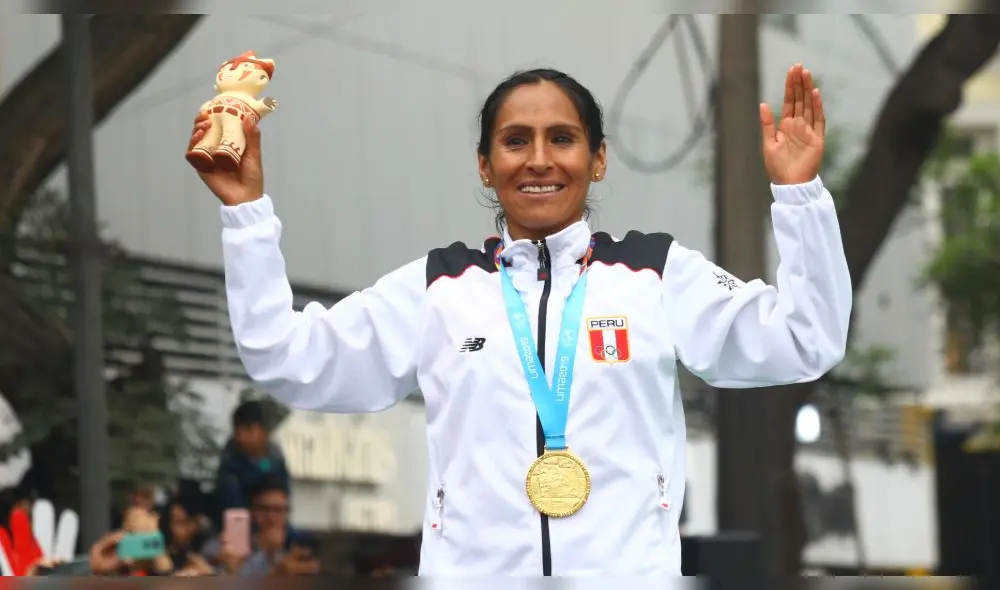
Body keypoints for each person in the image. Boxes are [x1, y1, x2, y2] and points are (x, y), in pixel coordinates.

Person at [188, 63, 851, 576]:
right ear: (486, 163)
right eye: (515, 140)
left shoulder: (654, 273)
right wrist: (246, 216)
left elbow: (803, 340)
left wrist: (799, 196)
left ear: (597, 159)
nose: (538, 158)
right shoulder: (440, 286)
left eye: (562, 139)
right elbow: (285, 356)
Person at [214, 401, 290, 522]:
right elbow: (235, 513)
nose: (242, 437)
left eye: (250, 430)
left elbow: (281, 491)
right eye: (239, 431)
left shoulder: (271, 459)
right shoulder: (231, 467)